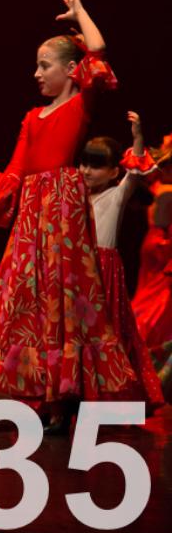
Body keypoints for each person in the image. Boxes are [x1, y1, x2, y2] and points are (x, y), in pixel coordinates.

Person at [0, 0, 135, 433]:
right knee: (27, 295)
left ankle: (62, 397)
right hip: (33, 209)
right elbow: (15, 169)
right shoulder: (32, 117)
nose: (36, 73)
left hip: (63, 205)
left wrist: (80, 12)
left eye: (44, 65)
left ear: (71, 70)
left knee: (62, 296)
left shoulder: (81, 101)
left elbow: (98, 49)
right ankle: (41, 391)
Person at [78, 112, 163, 411]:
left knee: (108, 333)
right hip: (78, 272)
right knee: (80, 338)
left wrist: (138, 137)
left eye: (96, 166)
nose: (87, 171)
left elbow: (136, 173)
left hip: (104, 272)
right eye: (84, 164)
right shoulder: (75, 197)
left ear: (115, 171)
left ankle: (114, 396)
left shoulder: (117, 194)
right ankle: (78, 396)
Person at [132, 131, 172, 398]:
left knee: (154, 301)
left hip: (158, 246)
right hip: (161, 249)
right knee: (156, 303)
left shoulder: (162, 189)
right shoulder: (167, 192)